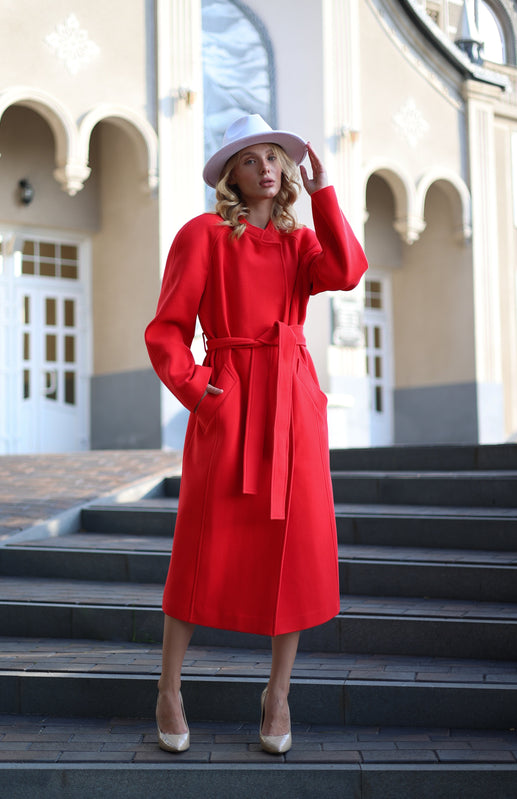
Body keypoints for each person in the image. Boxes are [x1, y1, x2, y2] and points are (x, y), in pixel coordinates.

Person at [145, 114, 368, 754]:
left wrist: (326, 194)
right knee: (199, 546)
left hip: (293, 402)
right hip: (231, 397)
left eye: (276, 157)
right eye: (252, 160)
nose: (268, 168)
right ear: (232, 177)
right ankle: (168, 688)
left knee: (293, 551)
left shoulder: (301, 245)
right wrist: (199, 390)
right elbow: (166, 330)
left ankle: (278, 695)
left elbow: (349, 271)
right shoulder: (203, 236)